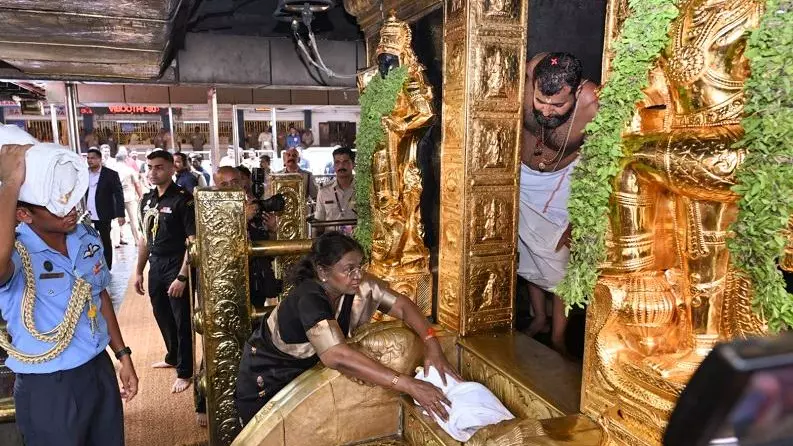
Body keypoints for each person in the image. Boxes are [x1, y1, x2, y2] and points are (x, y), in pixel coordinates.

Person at [0, 129, 138, 446]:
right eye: (56, 204)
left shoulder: (83, 236)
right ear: (23, 214)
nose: (71, 207)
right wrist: (10, 184)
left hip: (97, 369)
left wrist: (122, 354)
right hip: (50, 385)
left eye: (71, 198)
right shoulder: (16, 253)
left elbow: (98, 293)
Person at [235, 232, 459, 425]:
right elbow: (336, 356)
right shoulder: (309, 297)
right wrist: (408, 384)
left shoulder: (356, 285)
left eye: (360, 266)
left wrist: (432, 345)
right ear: (323, 272)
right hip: (268, 378)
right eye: (349, 269)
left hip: (307, 374)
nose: (358, 275)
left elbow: (403, 307)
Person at [518, 52, 598, 354]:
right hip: (520, 176)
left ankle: (558, 338)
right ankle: (540, 317)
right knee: (527, 251)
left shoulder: (593, 104)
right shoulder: (528, 74)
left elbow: (598, 168)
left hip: (560, 183)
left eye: (558, 105)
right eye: (540, 101)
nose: (547, 111)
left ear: (576, 92)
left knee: (557, 261)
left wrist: (578, 222)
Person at [135, 150, 196, 393]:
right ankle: (173, 356)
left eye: (159, 167)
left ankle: (186, 370)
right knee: (161, 313)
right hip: (155, 264)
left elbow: (193, 242)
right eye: (150, 167)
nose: (153, 172)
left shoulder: (184, 199)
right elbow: (143, 238)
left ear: (172, 169)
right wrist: (139, 271)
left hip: (177, 263)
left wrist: (183, 275)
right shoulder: (147, 200)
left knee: (182, 319)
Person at [85, 148, 126, 270]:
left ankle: (107, 266)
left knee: (105, 240)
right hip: (87, 213)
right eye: (88, 158)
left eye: (92, 158)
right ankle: (92, 265)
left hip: (103, 213)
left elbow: (119, 195)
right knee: (90, 240)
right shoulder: (84, 173)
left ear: (99, 159)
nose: (89, 160)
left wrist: (120, 214)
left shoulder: (110, 174)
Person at [314, 146, 356, 236]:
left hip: (357, 241)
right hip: (332, 241)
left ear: (353, 164)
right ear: (333, 165)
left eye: (345, 162)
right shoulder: (324, 191)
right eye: (337, 162)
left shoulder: (362, 189)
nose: (341, 166)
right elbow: (319, 222)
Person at [114, 148, 143, 249]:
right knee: (134, 219)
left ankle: (116, 241)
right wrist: (141, 196)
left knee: (116, 220)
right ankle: (137, 240)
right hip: (129, 196)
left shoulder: (112, 170)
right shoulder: (129, 170)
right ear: (126, 159)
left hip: (116, 198)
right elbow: (137, 185)